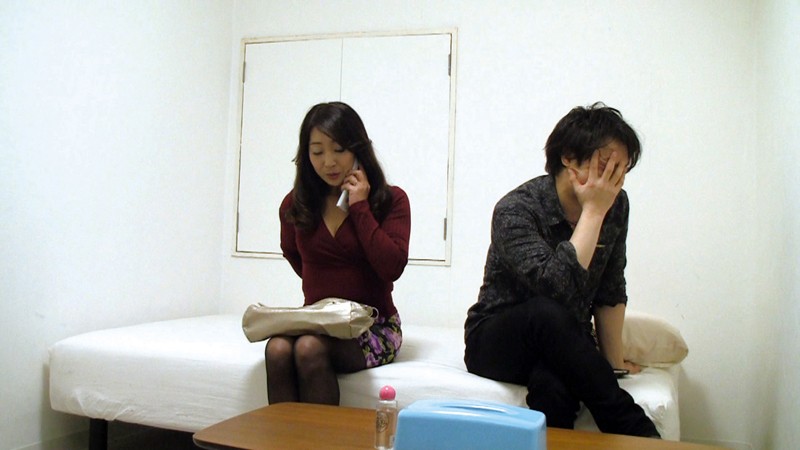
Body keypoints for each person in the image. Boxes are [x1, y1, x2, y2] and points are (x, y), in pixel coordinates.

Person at [463, 102, 660, 438]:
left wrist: (613, 364)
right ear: (568, 157)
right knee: (546, 312)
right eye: (606, 166)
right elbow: (555, 289)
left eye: (621, 170)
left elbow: (610, 288)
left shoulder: (617, 205)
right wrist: (593, 212)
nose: (614, 180)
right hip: (497, 339)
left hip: (565, 340)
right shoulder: (516, 209)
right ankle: (635, 429)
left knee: (555, 385)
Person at [265, 101, 411, 405]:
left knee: (308, 348)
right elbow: (294, 255)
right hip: (318, 322)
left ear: (358, 149)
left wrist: (360, 207)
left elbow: (391, 266)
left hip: (374, 326)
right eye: (317, 152)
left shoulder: (390, 200)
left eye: (339, 150)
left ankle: (323, 433)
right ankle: (286, 433)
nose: (328, 162)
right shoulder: (295, 204)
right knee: (277, 348)